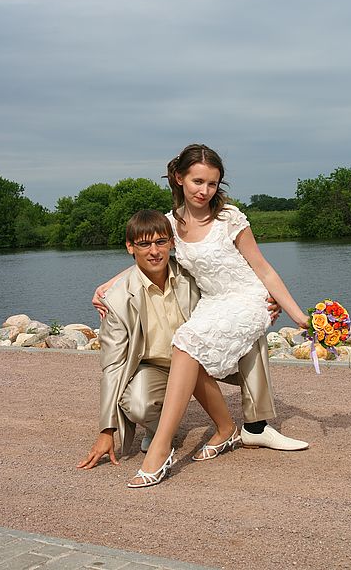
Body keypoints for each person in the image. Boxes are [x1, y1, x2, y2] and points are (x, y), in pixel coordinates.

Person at [95, 144, 311, 488]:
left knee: (185, 343)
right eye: (197, 181)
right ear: (179, 178)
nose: (204, 191)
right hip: (213, 302)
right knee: (187, 347)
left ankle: (161, 450)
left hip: (246, 298)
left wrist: (299, 315)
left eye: (212, 184)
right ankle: (227, 430)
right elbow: (150, 254)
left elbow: (263, 269)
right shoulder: (170, 224)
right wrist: (108, 285)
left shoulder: (229, 219)